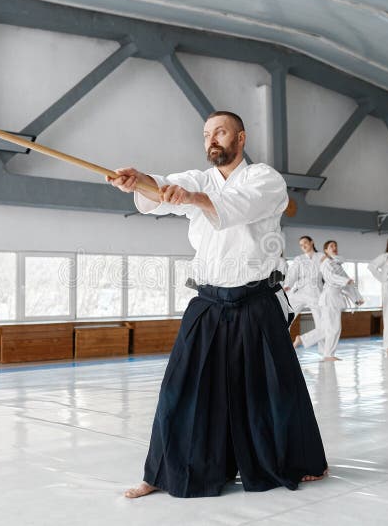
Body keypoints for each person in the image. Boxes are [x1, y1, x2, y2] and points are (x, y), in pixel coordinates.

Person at [107, 111, 327, 499]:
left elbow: (237, 207)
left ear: (240, 138)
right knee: (179, 389)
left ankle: (300, 460)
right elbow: (162, 189)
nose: (212, 139)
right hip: (208, 300)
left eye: (220, 132)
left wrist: (190, 198)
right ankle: (160, 472)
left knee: (274, 388)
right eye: (207, 134)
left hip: (257, 298)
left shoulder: (265, 179)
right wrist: (137, 180)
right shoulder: (198, 179)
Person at [317, 240, 360, 361]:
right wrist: (345, 281)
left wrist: (357, 299)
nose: (334, 248)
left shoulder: (337, 264)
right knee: (333, 327)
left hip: (335, 298)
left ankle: (306, 341)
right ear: (326, 250)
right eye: (331, 246)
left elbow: (347, 283)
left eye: (335, 246)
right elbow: (331, 278)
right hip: (329, 298)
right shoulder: (326, 263)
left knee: (329, 328)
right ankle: (328, 355)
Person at [284, 236, 325, 350]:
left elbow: (329, 270)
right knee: (285, 318)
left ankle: (323, 351)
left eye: (305, 243)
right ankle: (282, 346)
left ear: (312, 242)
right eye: (301, 245)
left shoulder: (321, 256)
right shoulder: (299, 259)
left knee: (323, 324)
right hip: (299, 290)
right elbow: (292, 273)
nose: (303, 246)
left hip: (316, 291)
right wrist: (287, 285)